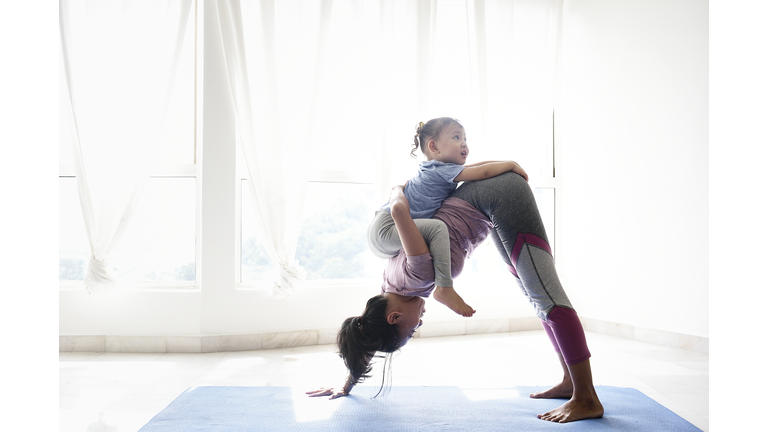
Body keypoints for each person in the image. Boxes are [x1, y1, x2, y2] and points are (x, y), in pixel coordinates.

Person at [308, 171, 604, 423]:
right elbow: (371, 331)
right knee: (536, 296)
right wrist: (347, 383)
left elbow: (401, 212)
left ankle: (587, 397)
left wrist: (396, 189)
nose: (419, 323)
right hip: (489, 205)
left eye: (413, 329)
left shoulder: (417, 274)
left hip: (499, 195)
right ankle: (571, 383)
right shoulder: (389, 287)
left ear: (395, 316)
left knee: (547, 297)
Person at [367, 117, 527, 317]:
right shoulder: (442, 172)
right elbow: (483, 172)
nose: (464, 143)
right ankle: (444, 287)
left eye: (465, 138)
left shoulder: (438, 169)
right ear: (434, 146)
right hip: (385, 229)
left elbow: (476, 168)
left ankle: (437, 289)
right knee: (437, 228)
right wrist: (511, 166)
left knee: (424, 235)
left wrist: (507, 163)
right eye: (456, 137)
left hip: (380, 230)